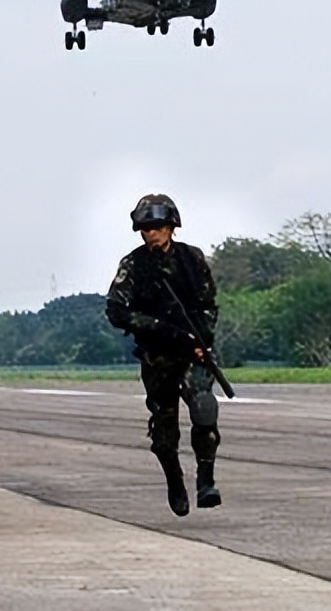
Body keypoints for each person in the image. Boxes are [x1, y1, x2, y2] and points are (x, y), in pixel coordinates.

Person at [105, 194, 222, 516]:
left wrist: (201, 338)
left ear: (171, 226)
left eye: (157, 227)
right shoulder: (133, 265)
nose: (152, 234)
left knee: (204, 410)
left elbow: (208, 304)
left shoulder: (192, 259)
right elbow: (116, 310)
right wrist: (160, 329)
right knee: (164, 432)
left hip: (193, 352)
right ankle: (175, 480)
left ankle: (206, 480)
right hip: (157, 356)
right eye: (146, 229)